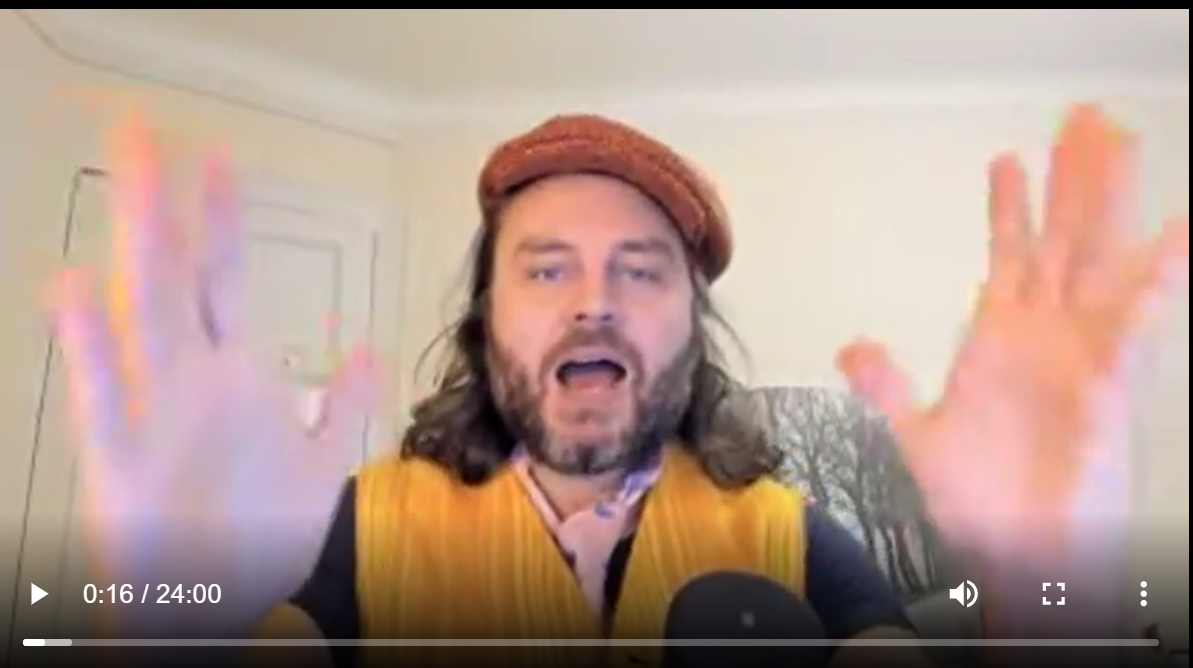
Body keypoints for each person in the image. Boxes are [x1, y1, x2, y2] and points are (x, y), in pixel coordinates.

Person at [49, 104, 1187, 668]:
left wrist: (1057, 593)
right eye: (546, 268)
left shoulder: (782, 530)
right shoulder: (367, 523)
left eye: (641, 270)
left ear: (693, 325)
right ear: (484, 314)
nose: (593, 300)